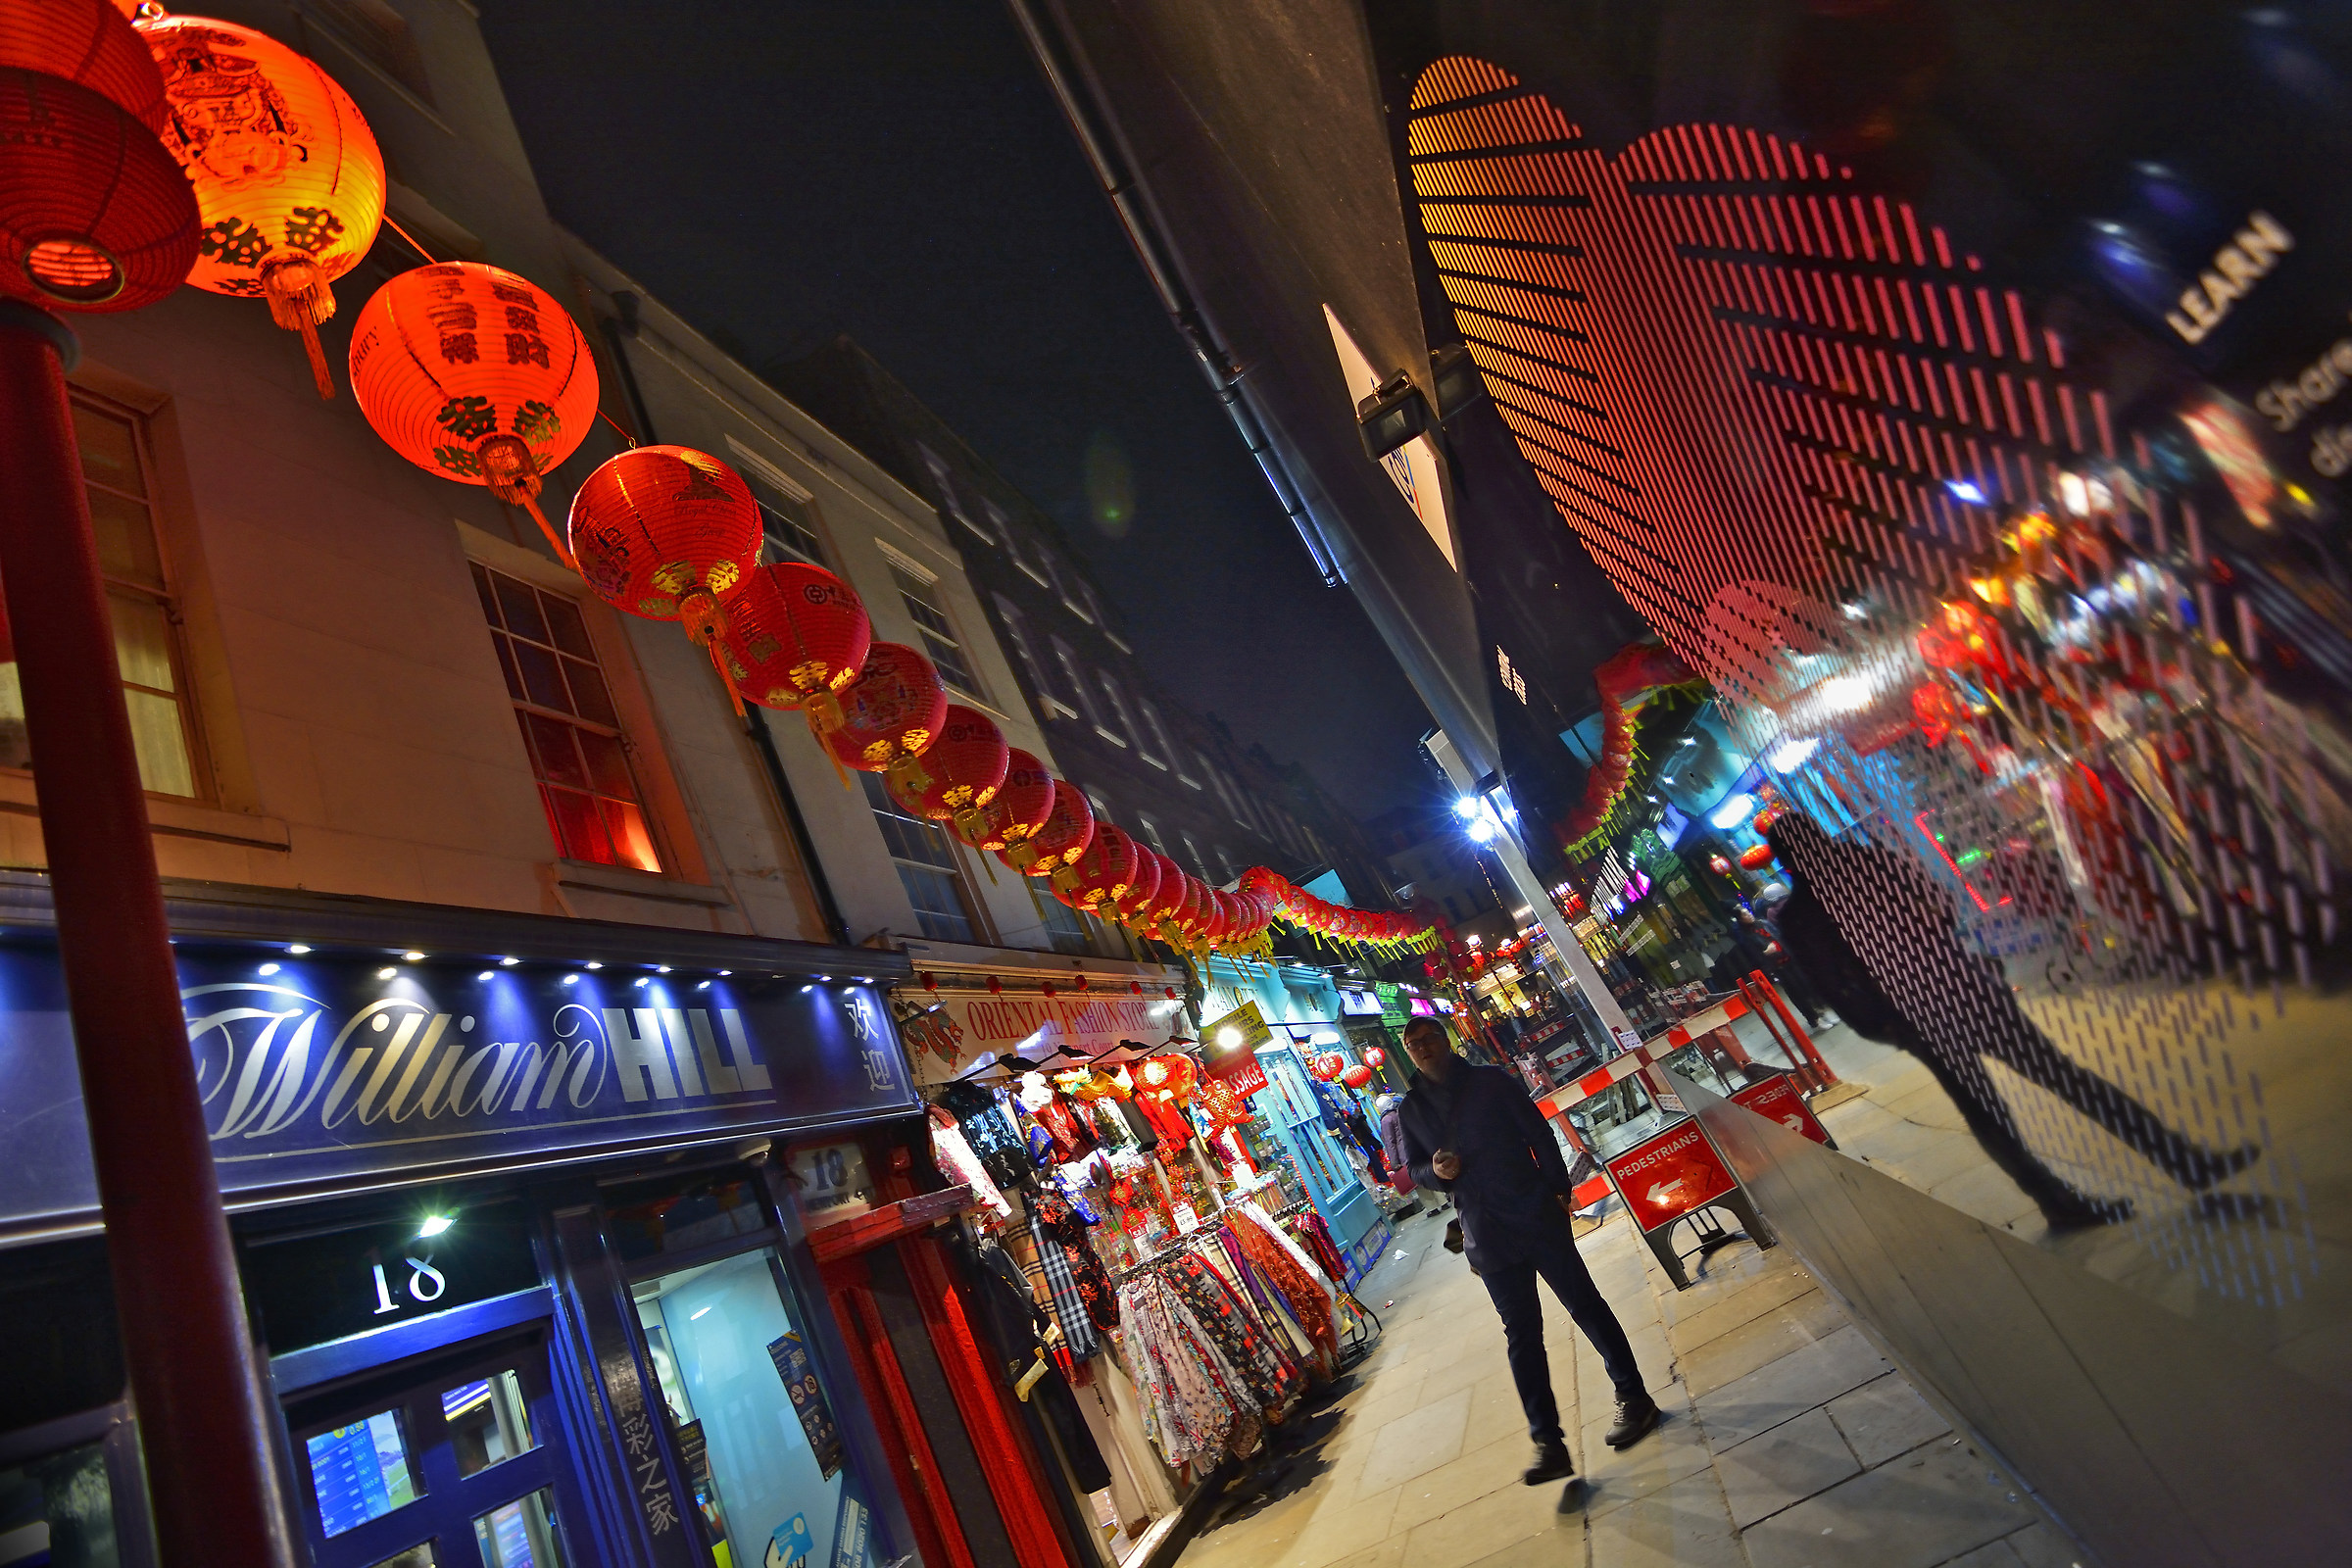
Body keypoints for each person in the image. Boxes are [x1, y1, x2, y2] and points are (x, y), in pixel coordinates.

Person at [1764, 812, 2259, 1228]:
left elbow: (1836, 980)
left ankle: (2070, 1197)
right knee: (2054, 1082)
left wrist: (1887, 1025)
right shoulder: (1862, 870)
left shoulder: (1811, 906)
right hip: (1951, 1001)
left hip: (1933, 1010)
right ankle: (2173, 1166)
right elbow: (1933, 908)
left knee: (2001, 1104)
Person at [1396, 1016, 1660, 1485]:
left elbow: (1539, 1133)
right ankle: (1548, 1443)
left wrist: (1559, 1190)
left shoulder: (1490, 1082)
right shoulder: (1410, 1109)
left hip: (1531, 1210)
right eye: (1412, 1044)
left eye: (1428, 1039)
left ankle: (1634, 1397)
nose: (1421, 1048)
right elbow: (1413, 1167)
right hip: (1485, 1230)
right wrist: (1436, 1172)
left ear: (1446, 1040)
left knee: (1585, 1305)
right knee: (1521, 1335)